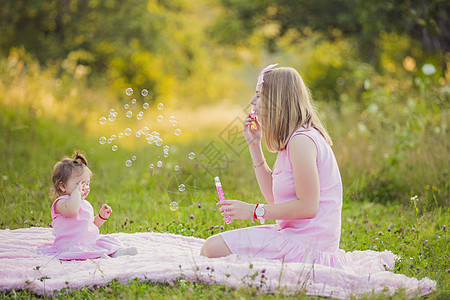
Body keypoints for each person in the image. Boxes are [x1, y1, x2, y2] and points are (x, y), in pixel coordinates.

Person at [200, 64, 349, 269]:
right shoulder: (291, 141)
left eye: (259, 96)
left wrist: (253, 211)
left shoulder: (302, 141)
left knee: (212, 249)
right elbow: (274, 199)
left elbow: (308, 207)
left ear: (277, 101)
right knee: (211, 247)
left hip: (308, 248)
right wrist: (254, 145)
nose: (252, 102)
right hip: (294, 238)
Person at [38, 151, 137, 260]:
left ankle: (116, 253)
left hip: (87, 243)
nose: (84, 188)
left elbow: (89, 226)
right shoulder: (61, 203)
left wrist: (101, 217)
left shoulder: (84, 204)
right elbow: (72, 210)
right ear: (63, 186)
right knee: (80, 252)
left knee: (108, 241)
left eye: (87, 184)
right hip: (70, 246)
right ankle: (100, 257)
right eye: (79, 184)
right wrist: (77, 192)